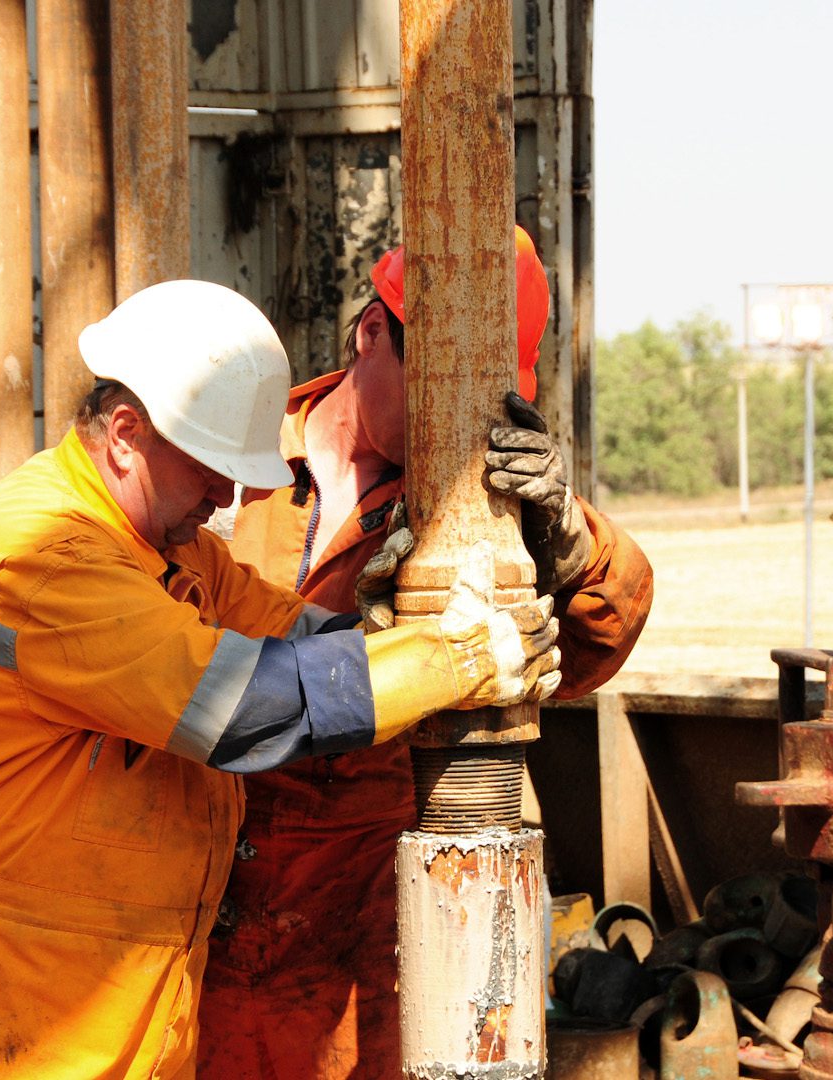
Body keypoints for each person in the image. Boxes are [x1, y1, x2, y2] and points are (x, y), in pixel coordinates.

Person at [0, 279, 564, 1080]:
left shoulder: (169, 550)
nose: (230, 497)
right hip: (1, 1001)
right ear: (126, 434)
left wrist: (399, 629)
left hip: (114, 1000)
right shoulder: (46, 554)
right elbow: (236, 707)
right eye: (212, 469)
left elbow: (291, 635)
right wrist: (458, 660)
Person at [201, 227, 656, 1079]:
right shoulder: (233, 464)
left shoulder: (476, 499)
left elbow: (603, 634)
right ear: (372, 334)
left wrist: (571, 540)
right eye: (439, 388)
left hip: (376, 907)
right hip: (210, 883)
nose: (456, 422)